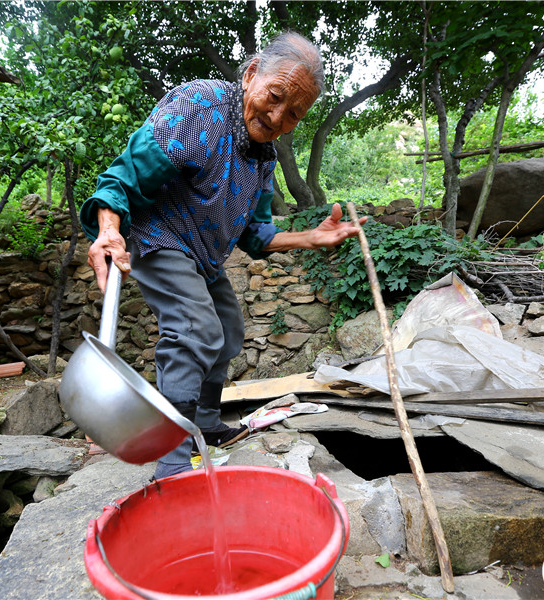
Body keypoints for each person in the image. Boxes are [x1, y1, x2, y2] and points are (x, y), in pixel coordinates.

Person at [80, 31, 366, 479]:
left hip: (204, 256)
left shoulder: (264, 156)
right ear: (252, 74)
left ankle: (207, 425)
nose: (276, 117)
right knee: (196, 328)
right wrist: (110, 231)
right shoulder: (200, 108)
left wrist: (312, 238)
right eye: (274, 97)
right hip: (160, 235)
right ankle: (173, 459)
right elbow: (122, 178)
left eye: (293, 114)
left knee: (228, 328)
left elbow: (255, 235)